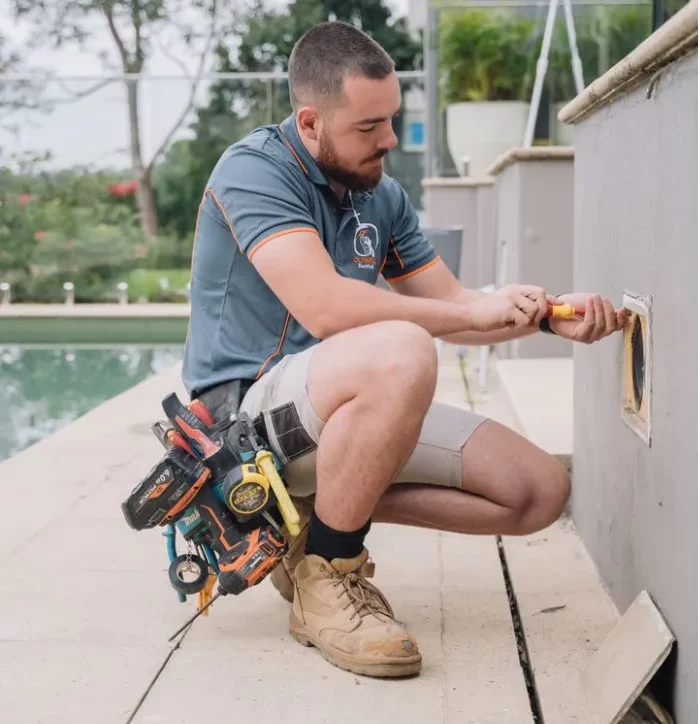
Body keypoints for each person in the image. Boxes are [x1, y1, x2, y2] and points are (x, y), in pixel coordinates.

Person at [182, 21, 626, 679]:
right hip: (244, 423)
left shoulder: (379, 195)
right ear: (309, 123)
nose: (389, 139)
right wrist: (468, 310)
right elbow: (327, 308)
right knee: (401, 350)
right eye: (369, 127)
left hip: (335, 408)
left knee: (536, 491)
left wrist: (545, 319)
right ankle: (329, 573)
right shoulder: (254, 171)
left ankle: (305, 519)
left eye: (393, 119)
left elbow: (454, 307)